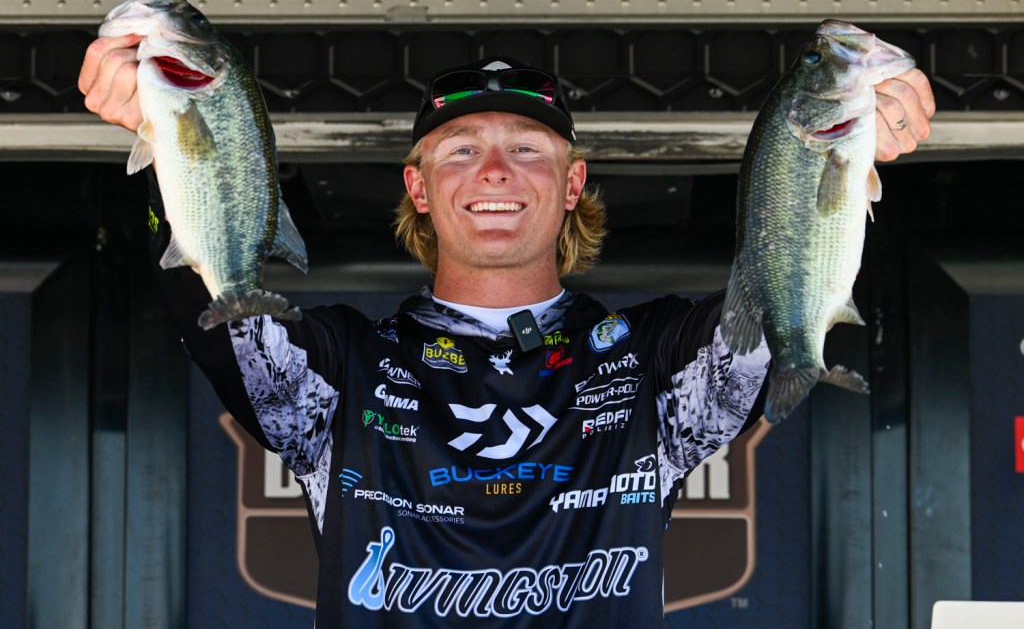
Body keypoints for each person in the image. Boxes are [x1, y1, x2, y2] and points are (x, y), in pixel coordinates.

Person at [79, 36, 935, 627]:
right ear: (418, 188)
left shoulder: (654, 361)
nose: (494, 171)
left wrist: (848, 154)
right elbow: (213, 304)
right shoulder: (341, 368)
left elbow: (783, 293)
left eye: (527, 148)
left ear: (573, 184)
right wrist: (165, 136)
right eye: (460, 150)